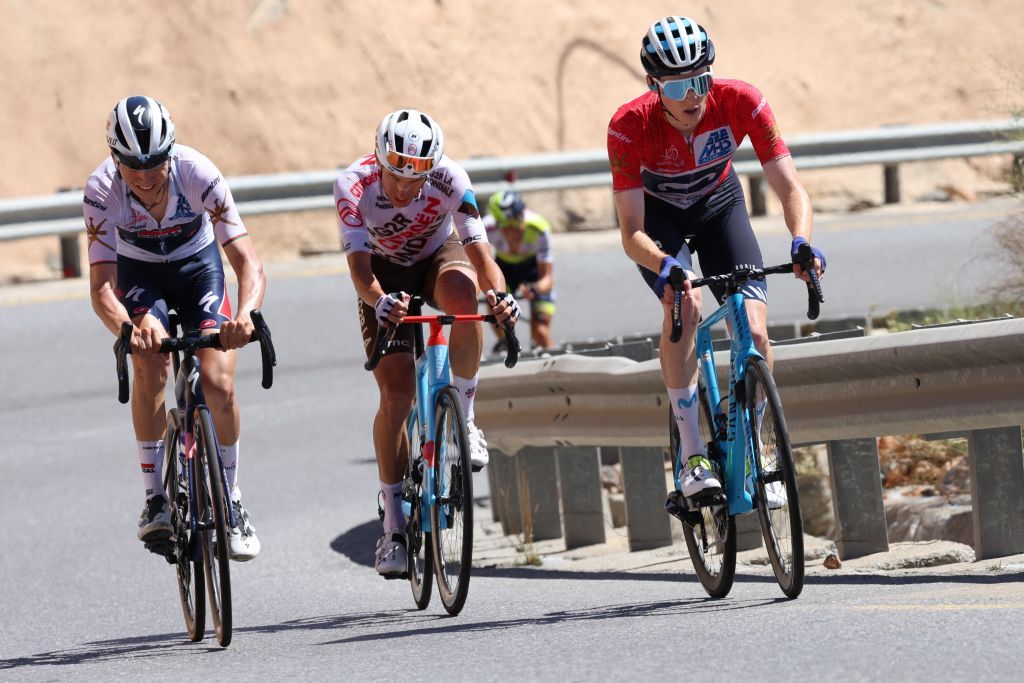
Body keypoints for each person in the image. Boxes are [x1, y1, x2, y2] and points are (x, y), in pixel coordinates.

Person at [607, 16, 826, 506]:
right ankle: (690, 455)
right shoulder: (628, 126)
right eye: (678, 85)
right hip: (658, 221)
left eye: (700, 80)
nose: (692, 96)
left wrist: (800, 242)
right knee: (684, 303)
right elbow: (631, 231)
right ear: (653, 85)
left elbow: (790, 187)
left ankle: (756, 445)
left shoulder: (742, 101)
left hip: (719, 205)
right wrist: (665, 266)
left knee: (757, 326)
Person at [334, 108, 520, 577]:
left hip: (437, 257)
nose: (404, 187)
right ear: (380, 160)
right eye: (397, 173)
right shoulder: (353, 186)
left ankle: (467, 418)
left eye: (416, 176)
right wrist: (378, 302)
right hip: (382, 274)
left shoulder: (452, 179)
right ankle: (394, 527)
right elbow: (360, 272)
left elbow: (481, 255)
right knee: (395, 397)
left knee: (464, 294)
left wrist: (499, 295)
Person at [84, 95, 266, 560]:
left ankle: (232, 499)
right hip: (141, 276)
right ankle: (155, 498)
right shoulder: (102, 191)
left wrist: (245, 313)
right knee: (150, 365)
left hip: (198, 269)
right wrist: (128, 328)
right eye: (131, 165)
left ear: (171, 151)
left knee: (219, 382)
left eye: (154, 163)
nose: (144, 177)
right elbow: (103, 287)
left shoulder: (198, 173)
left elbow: (247, 262)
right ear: (113, 158)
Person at [482, 190, 557, 351]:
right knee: (500, 319)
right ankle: (505, 343)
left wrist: (535, 289)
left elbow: (548, 279)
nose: (513, 230)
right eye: (507, 226)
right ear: (498, 223)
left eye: (517, 221)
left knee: (541, 333)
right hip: (504, 269)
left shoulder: (539, 228)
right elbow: (479, 265)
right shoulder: (486, 228)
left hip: (532, 270)